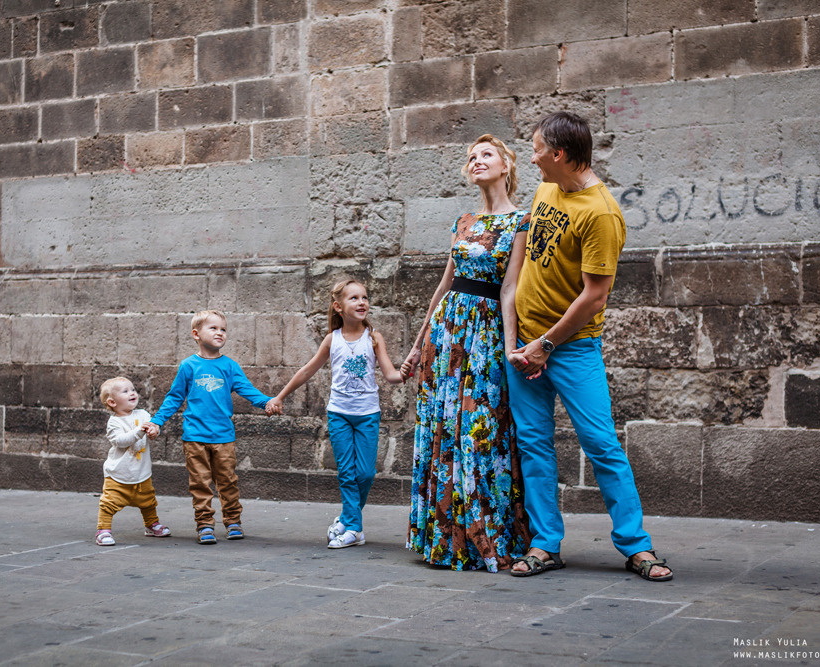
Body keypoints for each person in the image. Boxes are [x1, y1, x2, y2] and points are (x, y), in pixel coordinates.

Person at [503, 111, 672, 581]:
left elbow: (594, 296)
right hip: (525, 347)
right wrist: (517, 342)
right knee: (533, 445)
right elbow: (523, 267)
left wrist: (546, 344)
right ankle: (545, 543)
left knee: (601, 445)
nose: (532, 158)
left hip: (571, 348)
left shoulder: (601, 214)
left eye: (537, 149)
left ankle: (636, 546)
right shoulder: (546, 189)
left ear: (559, 154)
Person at [401, 134, 531, 572]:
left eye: (486, 155)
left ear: (506, 166)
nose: (477, 160)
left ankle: (484, 537)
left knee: (480, 430)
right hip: (446, 336)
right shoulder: (463, 221)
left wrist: (510, 348)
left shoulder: (522, 222)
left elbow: (510, 288)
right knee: (443, 428)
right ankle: (445, 540)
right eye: (471, 156)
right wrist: (418, 345)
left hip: (485, 334)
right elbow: (443, 286)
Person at [265, 278, 405, 549]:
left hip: (367, 415)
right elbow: (307, 370)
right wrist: (279, 396)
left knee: (365, 474)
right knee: (346, 472)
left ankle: (346, 518)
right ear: (338, 306)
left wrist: (405, 372)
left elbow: (391, 375)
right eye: (354, 298)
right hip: (339, 414)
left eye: (364, 297)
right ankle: (354, 530)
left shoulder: (374, 338)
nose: (362, 302)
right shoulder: (333, 339)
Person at [150, 310, 273, 545]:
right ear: (196, 334)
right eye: (213, 328)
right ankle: (205, 524)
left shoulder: (230, 366)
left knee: (228, 481)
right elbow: (174, 397)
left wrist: (267, 402)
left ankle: (233, 521)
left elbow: (248, 390)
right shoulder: (188, 366)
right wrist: (157, 421)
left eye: (223, 329)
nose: (220, 333)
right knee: (200, 484)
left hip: (224, 436)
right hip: (194, 437)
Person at [95, 376, 170, 546]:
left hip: (141, 472)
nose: (132, 393)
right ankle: (103, 530)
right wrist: (139, 431)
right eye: (125, 391)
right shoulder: (114, 422)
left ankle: (151, 524)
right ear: (112, 402)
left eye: (133, 390)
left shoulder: (143, 414)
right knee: (109, 503)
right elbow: (120, 441)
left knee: (148, 501)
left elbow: (152, 428)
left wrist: (154, 431)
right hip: (118, 474)